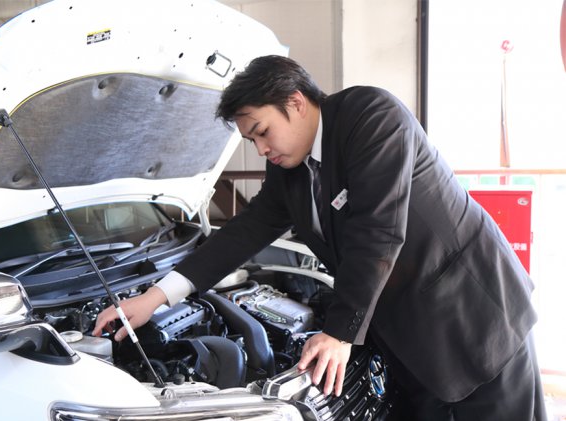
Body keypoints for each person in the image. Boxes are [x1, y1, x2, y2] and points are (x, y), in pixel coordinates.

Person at [92, 55, 544, 420]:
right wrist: (155, 297)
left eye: (262, 132)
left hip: (473, 320)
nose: (261, 149)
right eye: (252, 141)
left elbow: (378, 231)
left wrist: (338, 334)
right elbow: (243, 233)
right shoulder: (289, 170)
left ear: (295, 102)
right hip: (408, 339)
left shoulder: (371, 116)